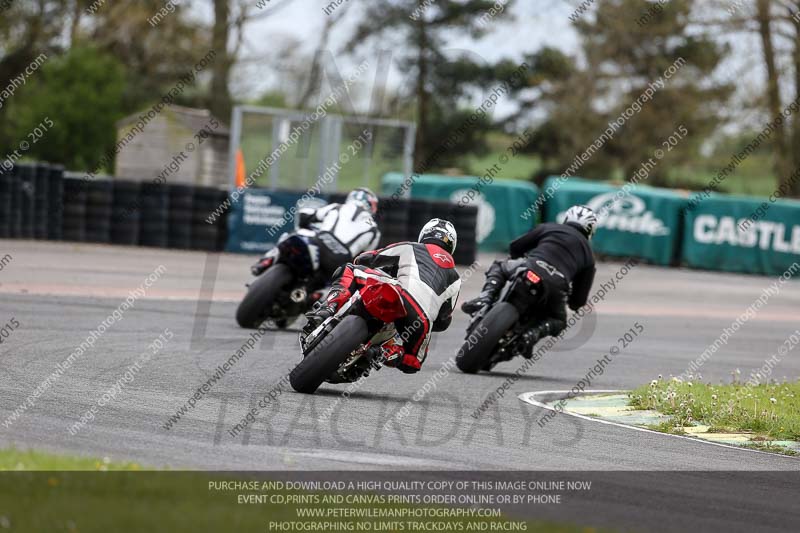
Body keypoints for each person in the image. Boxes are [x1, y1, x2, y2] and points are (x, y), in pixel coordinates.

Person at [304, 218, 462, 374]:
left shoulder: (411, 247)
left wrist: (383, 268)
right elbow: (443, 322)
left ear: (425, 234)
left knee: (350, 268)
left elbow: (367, 258)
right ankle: (383, 353)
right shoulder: (456, 278)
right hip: (421, 320)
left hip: (400, 293)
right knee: (413, 362)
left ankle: (328, 308)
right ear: (452, 245)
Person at [461, 205, 597, 354]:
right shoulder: (589, 256)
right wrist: (573, 303)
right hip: (556, 285)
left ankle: (485, 298)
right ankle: (531, 335)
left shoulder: (549, 227)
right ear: (590, 229)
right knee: (559, 321)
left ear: (566, 218)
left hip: (530, 267)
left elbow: (516, 246)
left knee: (500, 266)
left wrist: (517, 258)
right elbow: (579, 300)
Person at [251, 187, 381, 281]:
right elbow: (365, 260)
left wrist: (305, 223)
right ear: (371, 205)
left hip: (320, 241)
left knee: (294, 235)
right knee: (338, 283)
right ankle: (317, 300)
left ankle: (266, 261)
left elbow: (307, 215)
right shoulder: (374, 231)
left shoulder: (337, 207)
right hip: (340, 260)